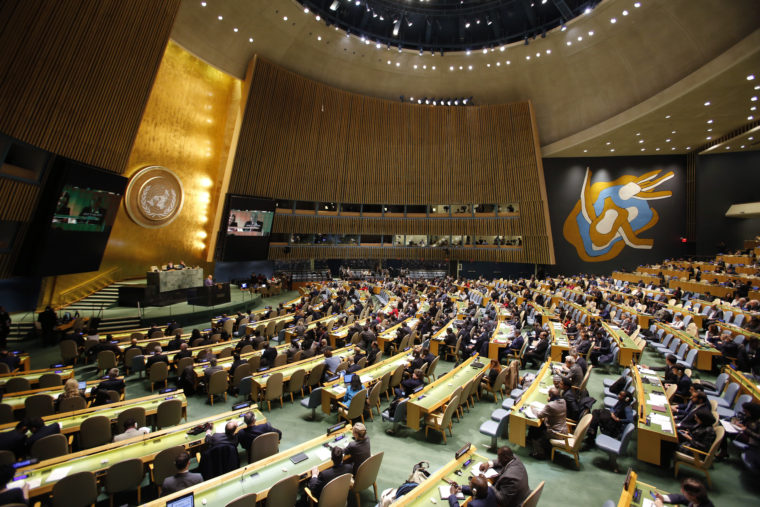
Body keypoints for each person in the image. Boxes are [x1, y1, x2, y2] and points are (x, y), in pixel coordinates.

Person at [527, 387, 567, 459]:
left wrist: (533, 408)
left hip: (555, 433)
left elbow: (539, 415)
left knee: (535, 432)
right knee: (540, 426)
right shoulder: (563, 401)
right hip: (564, 430)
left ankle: (539, 453)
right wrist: (551, 400)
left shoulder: (550, 405)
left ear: (550, 396)